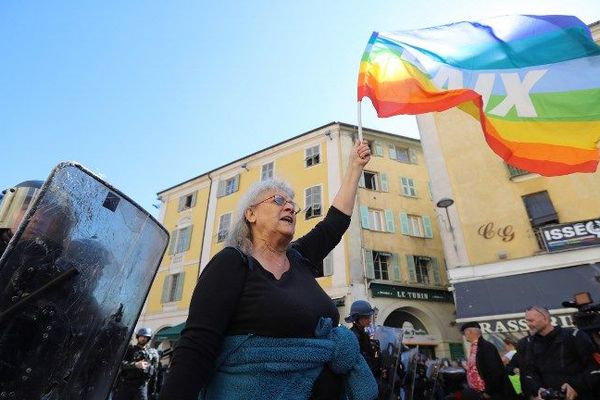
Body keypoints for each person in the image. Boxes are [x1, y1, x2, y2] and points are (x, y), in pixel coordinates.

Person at [159, 139, 378, 400]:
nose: (289, 207)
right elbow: (196, 348)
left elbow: (334, 223)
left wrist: (354, 167)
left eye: (292, 204)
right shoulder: (231, 263)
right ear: (250, 214)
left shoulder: (299, 258)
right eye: (277, 200)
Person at [520, 305, 600, 400]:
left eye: (531, 320)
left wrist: (576, 386)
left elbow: (594, 367)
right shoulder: (528, 343)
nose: (528, 324)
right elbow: (530, 372)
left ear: (545, 319)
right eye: (527, 321)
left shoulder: (574, 336)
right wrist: (539, 390)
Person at [460, 321, 517, 400]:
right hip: (478, 392)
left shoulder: (486, 347)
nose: (464, 335)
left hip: (489, 394)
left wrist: (488, 392)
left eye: (464, 333)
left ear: (469, 332)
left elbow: (495, 371)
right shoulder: (475, 347)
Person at [113, 327, 160, 400]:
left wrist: (153, 391)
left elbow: (155, 373)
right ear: (138, 337)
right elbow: (120, 364)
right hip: (127, 384)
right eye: (142, 336)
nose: (143, 338)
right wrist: (135, 365)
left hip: (141, 385)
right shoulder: (130, 350)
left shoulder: (152, 353)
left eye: (146, 337)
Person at [346, 300, 382, 381]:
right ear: (357, 318)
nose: (369, 320)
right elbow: (360, 360)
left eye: (369, 317)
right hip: (359, 377)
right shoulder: (353, 335)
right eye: (366, 317)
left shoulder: (364, 334)